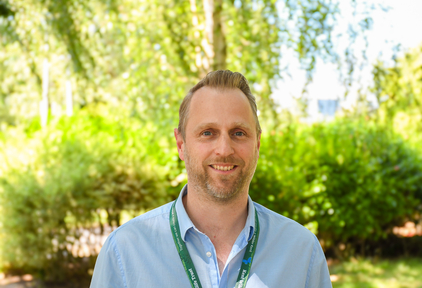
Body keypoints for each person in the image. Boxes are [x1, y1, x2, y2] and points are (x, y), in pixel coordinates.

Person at [90, 70, 332, 288]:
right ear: (181, 144)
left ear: (257, 143)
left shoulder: (302, 253)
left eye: (239, 133)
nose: (224, 149)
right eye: (208, 133)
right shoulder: (124, 252)